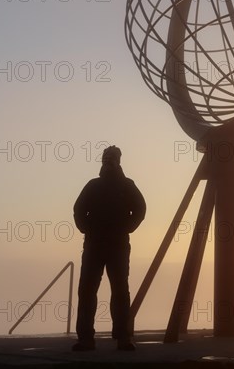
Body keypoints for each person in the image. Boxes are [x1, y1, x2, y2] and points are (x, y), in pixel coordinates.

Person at [72, 145, 146, 351]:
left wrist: (127, 227)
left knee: (120, 291)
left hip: (118, 246)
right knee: (87, 291)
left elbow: (140, 208)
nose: (108, 160)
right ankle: (85, 338)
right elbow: (78, 209)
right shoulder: (92, 186)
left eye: (112, 157)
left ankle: (123, 337)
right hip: (94, 245)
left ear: (118, 161)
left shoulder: (127, 186)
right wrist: (86, 228)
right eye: (105, 157)